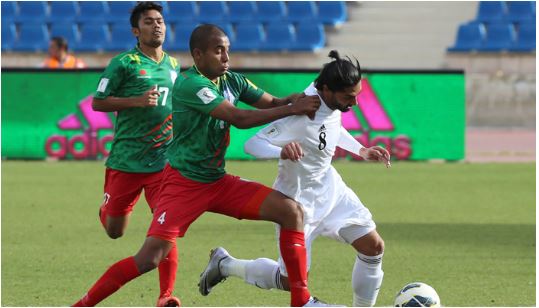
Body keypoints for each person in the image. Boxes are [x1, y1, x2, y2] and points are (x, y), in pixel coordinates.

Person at [72, 24, 337, 307]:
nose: (226, 58)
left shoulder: (232, 80)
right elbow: (238, 118)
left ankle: (301, 301)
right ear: (198, 55)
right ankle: (82, 305)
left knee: (291, 212)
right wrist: (290, 109)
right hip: (183, 185)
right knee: (149, 258)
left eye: (227, 51)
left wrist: (295, 98)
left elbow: (272, 102)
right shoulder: (190, 84)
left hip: (217, 182)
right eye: (218, 51)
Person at [198, 50, 391, 307]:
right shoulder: (300, 112)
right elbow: (253, 145)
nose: (353, 103)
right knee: (290, 281)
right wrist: (282, 151)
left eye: (356, 96)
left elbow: (331, 127)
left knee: (373, 247)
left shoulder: (329, 97)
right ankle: (225, 265)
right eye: (348, 97)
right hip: (297, 201)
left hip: (331, 189)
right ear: (326, 90)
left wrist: (361, 149)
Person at [88, 2, 180, 306]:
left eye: (160, 21)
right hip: (127, 162)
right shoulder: (123, 63)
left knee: (167, 228)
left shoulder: (174, 65)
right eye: (149, 22)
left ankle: (166, 296)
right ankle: (106, 211)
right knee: (115, 231)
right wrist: (136, 101)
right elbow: (98, 103)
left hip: (162, 163)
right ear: (135, 31)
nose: (157, 26)